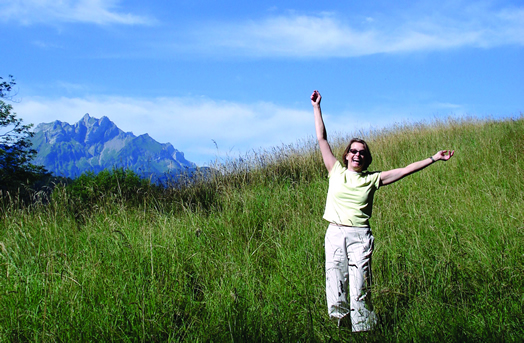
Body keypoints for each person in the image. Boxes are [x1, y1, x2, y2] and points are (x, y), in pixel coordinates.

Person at [310, 90, 454, 331]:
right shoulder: (335, 170)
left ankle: (364, 330)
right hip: (334, 234)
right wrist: (317, 107)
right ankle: (340, 329)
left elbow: (406, 169)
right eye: (353, 151)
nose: (357, 154)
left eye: (362, 153)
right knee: (335, 284)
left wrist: (434, 158)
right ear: (346, 155)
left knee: (360, 287)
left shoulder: (373, 179)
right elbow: (322, 139)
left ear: (367, 159)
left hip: (360, 237)